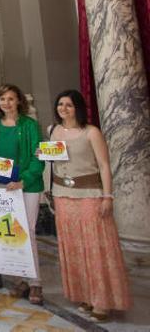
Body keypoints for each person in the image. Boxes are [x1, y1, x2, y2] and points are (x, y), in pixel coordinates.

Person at [47, 90, 131, 321]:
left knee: (95, 247)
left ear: (78, 108)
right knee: (73, 247)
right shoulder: (53, 131)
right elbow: (54, 163)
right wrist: (42, 156)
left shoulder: (91, 132)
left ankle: (103, 301)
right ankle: (85, 294)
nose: (64, 109)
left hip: (89, 194)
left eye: (69, 105)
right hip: (63, 194)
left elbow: (104, 166)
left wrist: (108, 197)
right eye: (60, 104)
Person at [0, 84, 44, 302]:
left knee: (29, 232)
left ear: (18, 101)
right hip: (0, 185)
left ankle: (35, 283)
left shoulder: (30, 125)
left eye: (10, 99)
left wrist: (23, 181)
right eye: (2, 99)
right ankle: (19, 280)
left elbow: (38, 156)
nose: (6, 103)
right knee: (10, 234)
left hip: (26, 186)